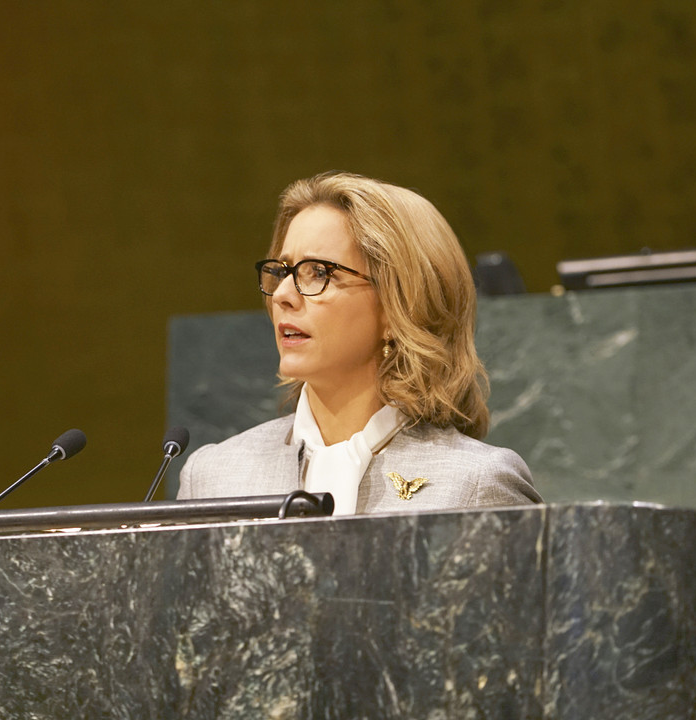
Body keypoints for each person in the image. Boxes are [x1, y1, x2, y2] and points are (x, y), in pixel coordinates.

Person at [177, 171, 541, 514]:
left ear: (398, 307)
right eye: (282, 271)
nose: (283, 294)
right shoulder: (212, 478)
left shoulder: (475, 485)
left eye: (318, 272)